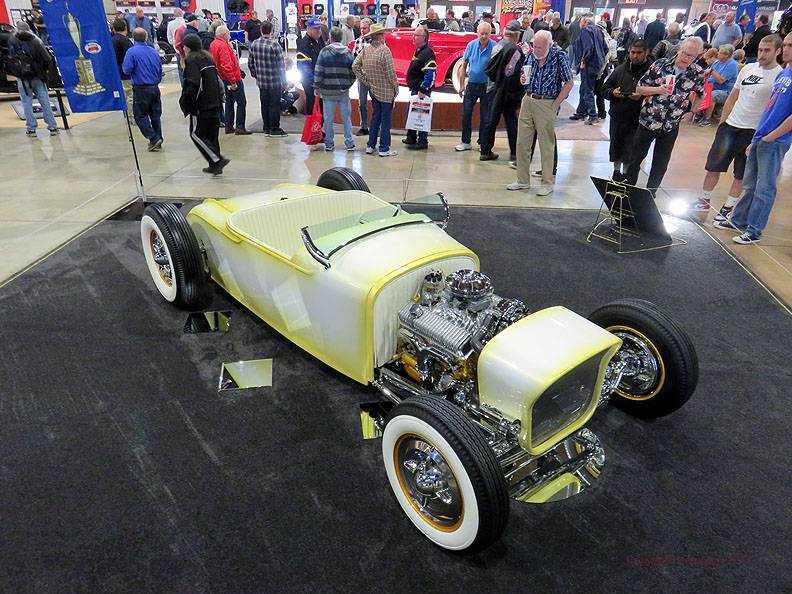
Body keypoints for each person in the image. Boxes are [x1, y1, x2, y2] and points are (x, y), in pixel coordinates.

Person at [712, 33, 792, 244]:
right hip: (761, 135)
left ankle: (754, 230)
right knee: (750, 184)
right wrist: (759, 136)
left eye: (789, 45)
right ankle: (739, 220)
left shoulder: (781, 73)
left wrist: (770, 137)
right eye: (784, 45)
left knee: (765, 187)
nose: (785, 49)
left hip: (775, 141)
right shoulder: (786, 74)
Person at [691, 36, 782, 216]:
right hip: (731, 125)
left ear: (777, 51)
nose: (762, 54)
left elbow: (774, 109)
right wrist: (723, 122)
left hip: (752, 130)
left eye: (767, 50)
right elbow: (733, 97)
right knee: (713, 165)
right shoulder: (748, 68)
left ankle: (728, 207)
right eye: (760, 50)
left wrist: (761, 135)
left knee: (740, 173)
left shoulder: (779, 75)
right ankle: (704, 200)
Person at [623, 36, 706, 193]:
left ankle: (650, 193)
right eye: (685, 53)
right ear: (679, 50)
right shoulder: (660, 65)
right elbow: (639, 88)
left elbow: (701, 94)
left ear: (698, 57)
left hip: (671, 125)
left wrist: (691, 112)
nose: (686, 58)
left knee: (661, 163)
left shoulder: (697, 73)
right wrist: (658, 90)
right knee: (635, 158)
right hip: (649, 120)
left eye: (691, 56)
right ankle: (627, 191)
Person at [507, 30, 573, 195]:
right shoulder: (530, 54)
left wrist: (556, 104)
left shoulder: (559, 56)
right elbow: (525, 73)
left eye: (540, 47)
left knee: (546, 145)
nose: (536, 49)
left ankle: (547, 183)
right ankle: (522, 180)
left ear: (549, 45)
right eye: (534, 46)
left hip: (547, 102)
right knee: (522, 142)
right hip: (528, 99)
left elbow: (569, 82)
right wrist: (523, 79)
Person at [602, 40, 652, 181]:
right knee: (616, 147)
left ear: (646, 53)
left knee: (631, 150)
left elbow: (659, 94)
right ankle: (616, 173)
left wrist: (642, 97)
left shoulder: (652, 71)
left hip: (638, 120)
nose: (635, 56)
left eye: (639, 53)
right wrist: (613, 92)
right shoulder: (620, 69)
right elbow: (604, 89)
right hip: (618, 116)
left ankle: (627, 175)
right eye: (632, 52)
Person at [179, 34, 229, 175]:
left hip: (201, 106)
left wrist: (187, 104)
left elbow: (194, 85)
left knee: (196, 134)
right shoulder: (208, 59)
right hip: (215, 104)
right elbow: (218, 82)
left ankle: (216, 160)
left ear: (187, 47)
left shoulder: (192, 61)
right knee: (212, 135)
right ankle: (215, 165)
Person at [480, 20, 525, 164]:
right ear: (517, 35)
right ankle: (514, 153)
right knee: (511, 121)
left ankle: (485, 151)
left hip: (493, 88)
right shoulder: (515, 50)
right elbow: (513, 72)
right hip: (507, 91)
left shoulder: (497, 46)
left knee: (490, 121)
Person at [352, 22, 399, 156]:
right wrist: (396, 89)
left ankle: (371, 145)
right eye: (383, 34)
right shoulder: (385, 50)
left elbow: (355, 66)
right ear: (380, 36)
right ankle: (384, 148)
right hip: (386, 91)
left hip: (373, 90)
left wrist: (366, 81)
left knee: (375, 117)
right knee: (385, 120)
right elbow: (391, 74)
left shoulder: (366, 50)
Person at [8, 22, 58, 137]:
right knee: (45, 101)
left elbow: (11, 59)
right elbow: (47, 59)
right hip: (38, 77)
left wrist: (17, 72)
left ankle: (31, 129)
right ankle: (52, 127)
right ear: (28, 29)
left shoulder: (12, 41)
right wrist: (43, 71)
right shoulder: (36, 41)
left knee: (26, 103)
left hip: (22, 78)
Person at [315, 26, 357, 151]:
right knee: (346, 119)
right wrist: (348, 84)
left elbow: (319, 70)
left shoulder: (324, 52)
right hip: (343, 92)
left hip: (327, 92)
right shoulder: (348, 53)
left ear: (330, 38)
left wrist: (317, 86)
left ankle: (329, 143)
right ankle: (349, 142)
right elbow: (354, 72)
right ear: (341, 38)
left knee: (328, 119)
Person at [456, 23, 495, 155]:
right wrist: (461, 85)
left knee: (485, 117)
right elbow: (464, 65)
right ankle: (465, 141)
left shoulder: (495, 47)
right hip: (472, 85)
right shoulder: (471, 45)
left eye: (486, 33)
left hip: (487, 87)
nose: (484, 36)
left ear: (490, 33)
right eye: (481, 33)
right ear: (477, 32)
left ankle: (482, 143)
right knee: (466, 114)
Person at [122, 28, 164, 151]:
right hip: (155, 87)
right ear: (146, 37)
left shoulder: (131, 52)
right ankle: (158, 139)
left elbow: (126, 69)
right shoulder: (153, 51)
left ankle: (153, 138)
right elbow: (159, 68)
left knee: (140, 115)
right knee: (155, 115)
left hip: (141, 88)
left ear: (133, 37)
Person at [249, 21, 287, 137]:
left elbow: (251, 63)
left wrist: (257, 75)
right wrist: (284, 81)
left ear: (261, 30)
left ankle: (266, 127)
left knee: (264, 104)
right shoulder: (275, 45)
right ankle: (274, 129)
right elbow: (281, 66)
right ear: (271, 31)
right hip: (274, 82)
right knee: (274, 105)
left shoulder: (254, 44)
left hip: (261, 82)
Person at [210, 26, 250, 135]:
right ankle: (240, 127)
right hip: (232, 78)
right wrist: (233, 81)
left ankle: (229, 125)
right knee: (241, 102)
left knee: (229, 101)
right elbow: (226, 65)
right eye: (228, 34)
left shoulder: (213, 44)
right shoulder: (223, 46)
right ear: (224, 35)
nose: (230, 36)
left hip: (223, 78)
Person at [572, 15, 609, 124]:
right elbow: (606, 48)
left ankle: (593, 115)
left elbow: (589, 47)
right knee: (585, 89)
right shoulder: (599, 31)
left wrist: (584, 61)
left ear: (584, 22)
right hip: (598, 64)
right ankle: (581, 113)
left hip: (589, 64)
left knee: (587, 90)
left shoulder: (586, 31)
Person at [698, 44, 739, 127]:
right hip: (713, 87)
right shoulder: (717, 63)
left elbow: (721, 80)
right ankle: (698, 114)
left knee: (712, 95)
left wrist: (711, 71)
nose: (718, 55)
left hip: (727, 91)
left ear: (726, 55)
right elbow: (708, 76)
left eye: (720, 53)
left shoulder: (732, 65)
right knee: (697, 90)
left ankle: (707, 119)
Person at [297, 18, 326, 116]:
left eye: (319, 28)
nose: (318, 31)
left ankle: (319, 128)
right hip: (310, 82)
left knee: (320, 106)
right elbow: (304, 67)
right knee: (312, 104)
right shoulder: (304, 44)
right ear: (309, 29)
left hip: (319, 80)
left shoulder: (320, 41)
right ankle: (312, 128)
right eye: (315, 29)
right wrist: (313, 82)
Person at [352, 19, 372, 135]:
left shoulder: (377, 42)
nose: (362, 31)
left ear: (370, 28)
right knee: (362, 103)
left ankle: (375, 127)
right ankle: (364, 126)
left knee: (376, 103)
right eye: (361, 28)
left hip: (374, 78)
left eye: (364, 28)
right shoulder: (358, 41)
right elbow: (354, 59)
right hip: (361, 78)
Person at [111, 19, 134, 109]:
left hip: (117, 72)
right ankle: (132, 118)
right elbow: (131, 57)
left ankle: (128, 115)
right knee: (130, 96)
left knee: (124, 95)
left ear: (114, 29)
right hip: (126, 73)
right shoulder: (125, 41)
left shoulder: (111, 40)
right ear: (125, 28)